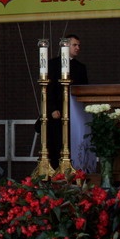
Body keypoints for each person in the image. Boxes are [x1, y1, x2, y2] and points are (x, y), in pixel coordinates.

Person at [46, 34, 88, 169]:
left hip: (74, 112)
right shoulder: (52, 64)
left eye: (79, 45)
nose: (78, 48)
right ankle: (56, 170)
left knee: (73, 143)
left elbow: (84, 89)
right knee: (56, 143)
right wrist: (52, 108)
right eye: (74, 45)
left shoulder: (80, 67)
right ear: (66, 46)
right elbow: (48, 89)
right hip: (57, 111)